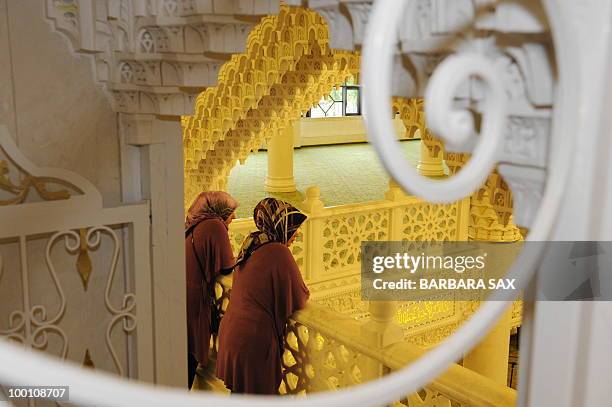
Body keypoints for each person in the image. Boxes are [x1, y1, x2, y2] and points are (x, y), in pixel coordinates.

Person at [216, 198, 310, 395]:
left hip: (232, 332)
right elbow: (299, 297)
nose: (296, 234)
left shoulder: (253, 243)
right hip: (252, 340)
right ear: (279, 226)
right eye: (292, 227)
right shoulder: (278, 251)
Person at [185, 191, 238, 389]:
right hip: (194, 298)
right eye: (231, 212)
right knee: (189, 354)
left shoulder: (196, 223)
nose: (234, 217)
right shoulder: (215, 225)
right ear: (220, 210)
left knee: (183, 351)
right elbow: (226, 266)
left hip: (183, 292)